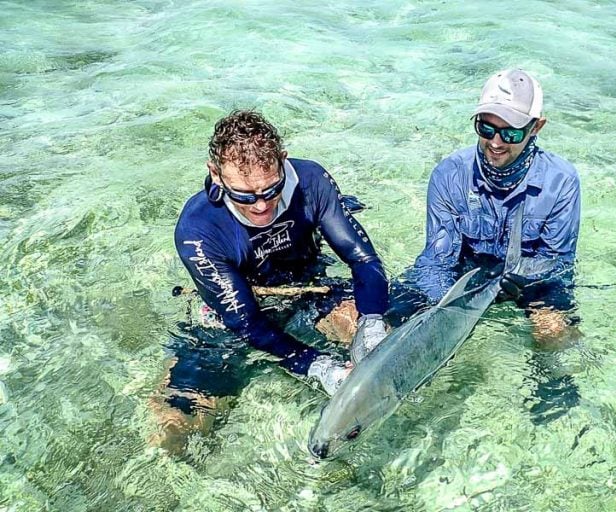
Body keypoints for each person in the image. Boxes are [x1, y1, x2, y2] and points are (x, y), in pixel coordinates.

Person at [173, 109, 390, 401]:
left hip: (311, 287)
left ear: (283, 161)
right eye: (244, 195)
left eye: (271, 189)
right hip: (235, 315)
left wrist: (372, 322)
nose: (261, 206)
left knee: (386, 346)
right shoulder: (198, 228)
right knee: (180, 415)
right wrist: (318, 366)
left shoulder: (311, 180)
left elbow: (362, 259)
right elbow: (245, 321)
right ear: (215, 174)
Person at [406, 68, 581, 423]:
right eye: (486, 128)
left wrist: (525, 281)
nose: (496, 143)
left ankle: (551, 383)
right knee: (397, 322)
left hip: (529, 280)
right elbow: (437, 260)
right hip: (463, 274)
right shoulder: (449, 174)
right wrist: (444, 311)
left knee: (555, 332)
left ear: (536, 127)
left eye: (511, 131)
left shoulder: (561, 182)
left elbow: (559, 264)